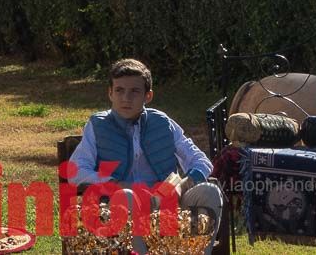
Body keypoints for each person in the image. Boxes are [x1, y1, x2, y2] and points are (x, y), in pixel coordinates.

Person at [68, 59, 222, 254]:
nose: (126, 98)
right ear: (110, 93)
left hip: (165, 204)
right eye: (119, 90)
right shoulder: (97, 125)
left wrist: (182, 186)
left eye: (134, 91)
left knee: (210, 192)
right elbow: (76, 171)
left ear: (147, 96)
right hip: (120, 206)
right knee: (128, 196)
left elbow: (201, 161)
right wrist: (116, 184)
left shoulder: (163, 123)